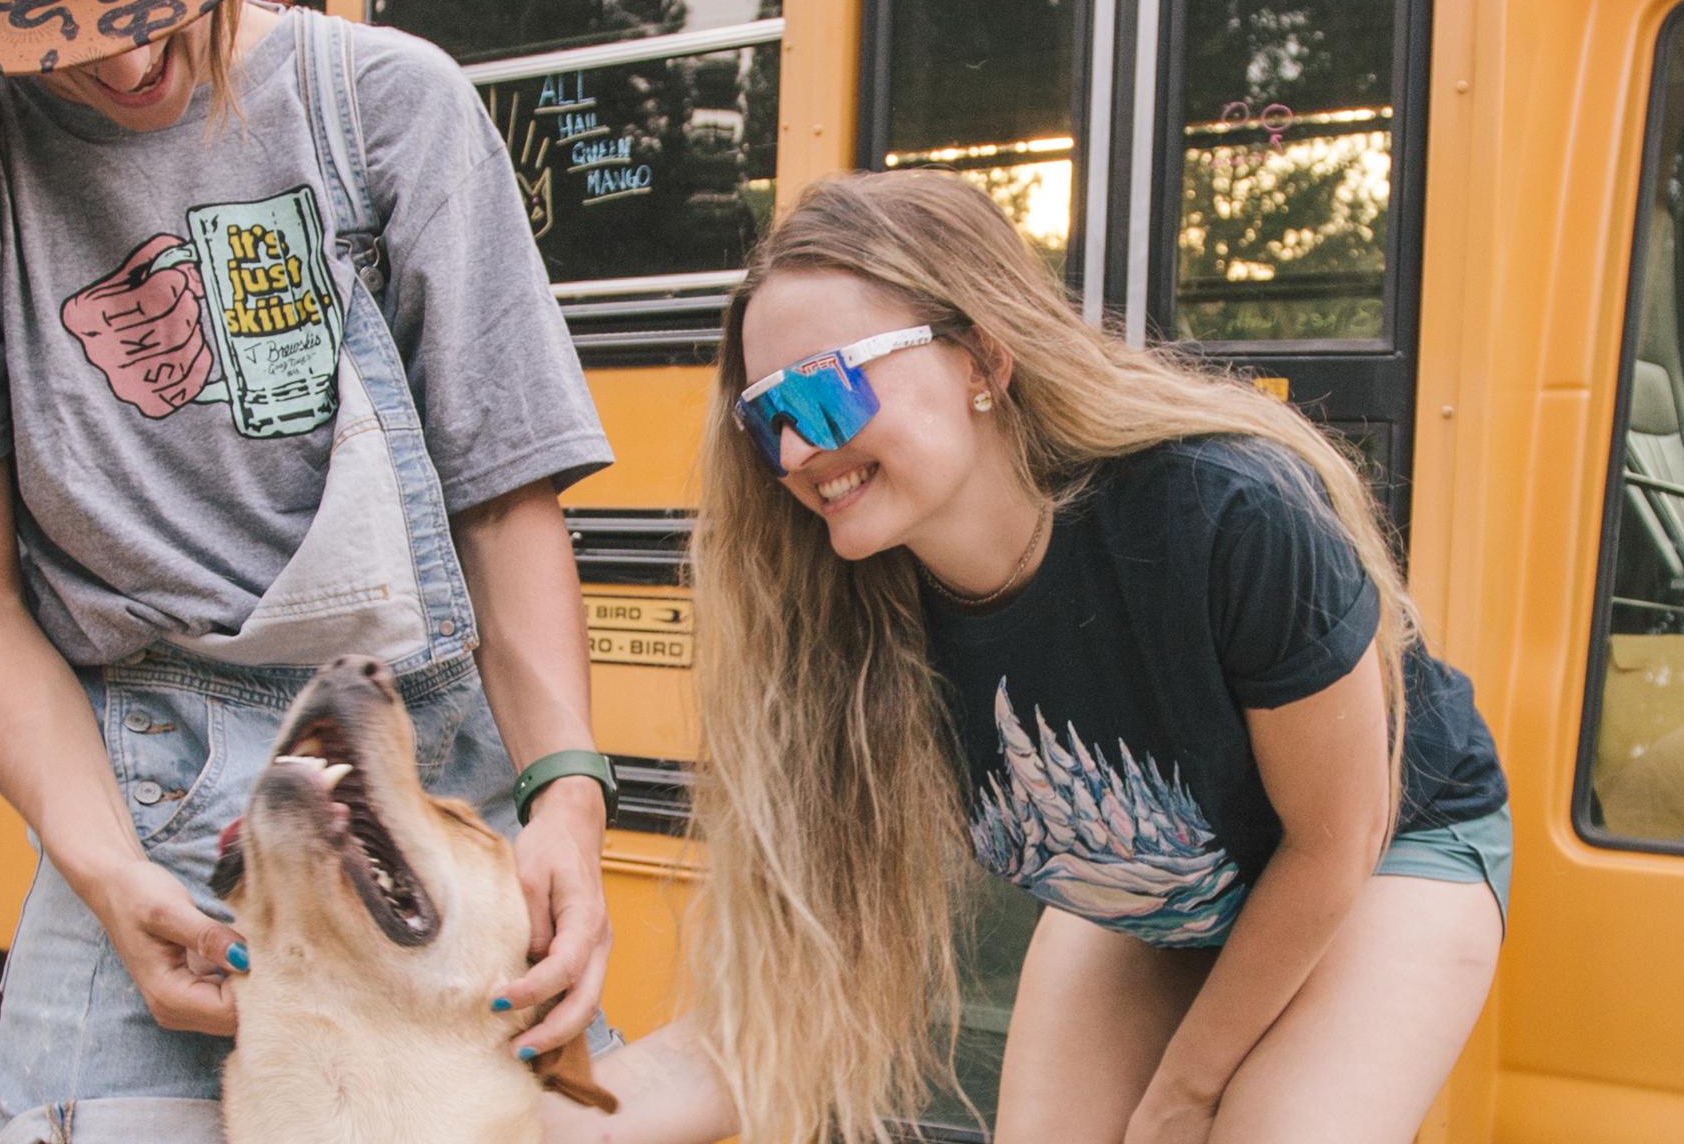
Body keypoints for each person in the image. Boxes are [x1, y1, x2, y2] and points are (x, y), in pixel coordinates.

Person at [545, 170, 1511, 1144]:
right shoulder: (850, 624)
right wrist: (521, 1128)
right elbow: (761, 1023)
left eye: (822, 393)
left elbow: (1331, 839)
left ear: (981, 360)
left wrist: (1182, 1093)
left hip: (1382, 858)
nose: (795, 453)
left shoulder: (1225, 513)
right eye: (767, 418)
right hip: (1158, 886)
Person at [0, 0, 619, 1139]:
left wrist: (568, 806)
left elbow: (503, 504)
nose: (134, 59)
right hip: (139, 823)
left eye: (157, 8)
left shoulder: (385, 97)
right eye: (69, 38)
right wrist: (101, 873)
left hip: (430, 809)